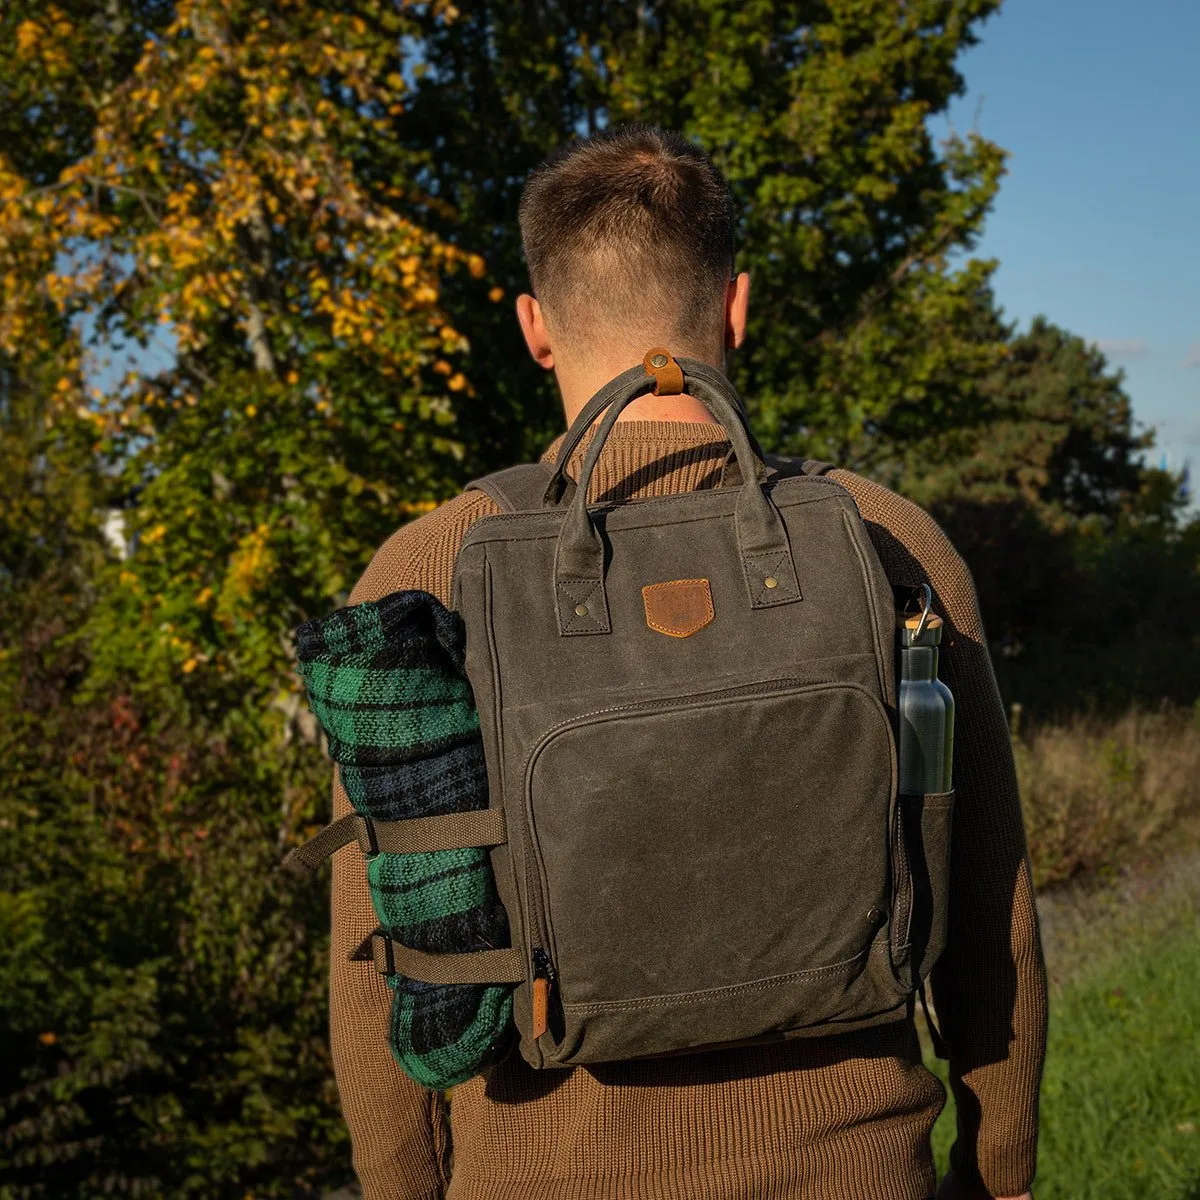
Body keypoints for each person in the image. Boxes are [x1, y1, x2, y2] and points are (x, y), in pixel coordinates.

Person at [327, 124, 1046, 1200]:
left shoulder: (425, 569)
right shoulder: (889, 539)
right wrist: (999, 1176)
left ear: (534, 325)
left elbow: (379, 964)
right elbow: (995, 915)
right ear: (736, 306)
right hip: (859, 1169)